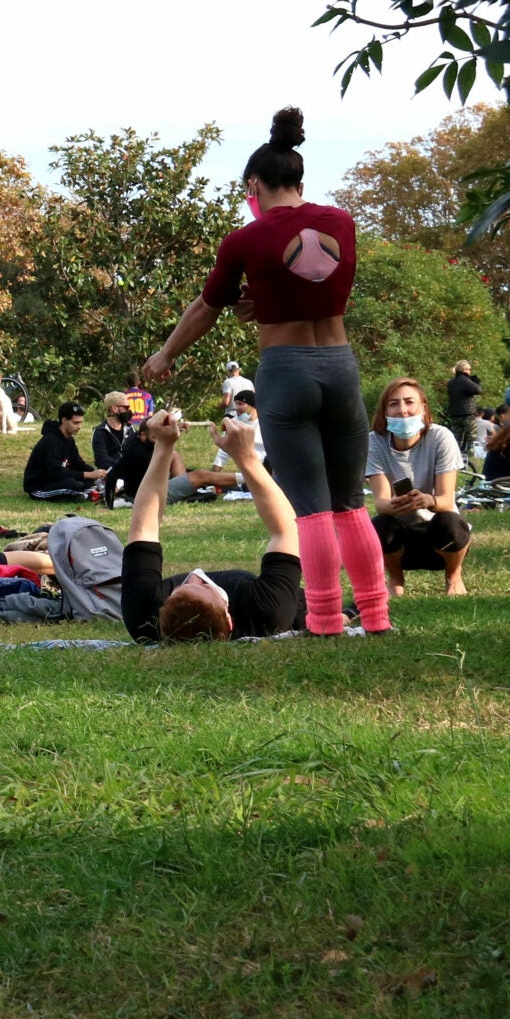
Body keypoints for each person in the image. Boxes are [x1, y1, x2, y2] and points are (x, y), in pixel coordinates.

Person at [140, 106, 388, 637]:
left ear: (255, 182)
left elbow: (207, 307)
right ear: (300, 178)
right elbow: (314, 279)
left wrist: (165, 355)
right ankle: (377, 617)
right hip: (341, 367)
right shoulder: (341, 222)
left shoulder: (244, 240)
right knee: (350, 504)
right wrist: (260, 298)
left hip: (286, 370)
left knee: (312, 510)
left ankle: (323, 621)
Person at [118, 411, 305, 642]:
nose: (198, 576)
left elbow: (144, 529)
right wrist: (246, 457)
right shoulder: (266, 610)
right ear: (229, 620)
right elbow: (286, 531)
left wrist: (163, 446)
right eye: (206, 587)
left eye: (183, 586)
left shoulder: (144, 615)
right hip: (297, 606)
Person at [367, 377, 473, 597]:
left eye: (409, 402)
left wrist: (428, 500)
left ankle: (454, 576)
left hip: (439, 537)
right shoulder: (374, 442)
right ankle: (395, 579)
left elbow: (446, 499)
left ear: (423, 408)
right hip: (401, 539)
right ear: (385, 411)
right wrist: (395, 504)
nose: (402, 410)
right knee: (379, 526)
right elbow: (381, 503)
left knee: (451, 523)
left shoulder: (441, 437)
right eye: (394, 404)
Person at [24, 403, 104, 501]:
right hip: (41, 485)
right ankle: (84, 494)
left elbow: (78, 463)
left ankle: (86, 493)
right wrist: (86, 474)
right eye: (75, 423)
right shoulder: (50, 440)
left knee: (89, 481)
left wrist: (95, 473)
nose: (79, 426)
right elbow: (55, 472)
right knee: (73, 484)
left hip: (58, 479)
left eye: (80, 423)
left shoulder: (69, 439)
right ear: (64, 420)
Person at [91, 392, 136, 474]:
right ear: (115, 409)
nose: (129, 411)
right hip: (111, 475)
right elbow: (101, 460)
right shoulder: (100, 432)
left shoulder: (130, 429)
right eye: (126, 407)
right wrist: (125, 466)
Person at [444, 360, 482, 446]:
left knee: (456, 439)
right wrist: (476, 382)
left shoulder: (451, 383)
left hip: (455, 414)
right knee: (471, 438)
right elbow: (478, 390)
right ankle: (471, 455)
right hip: (467, 414)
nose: (470, 371)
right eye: (469, 369)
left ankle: (456, 455)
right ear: (465, 370)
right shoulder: (465, 381)